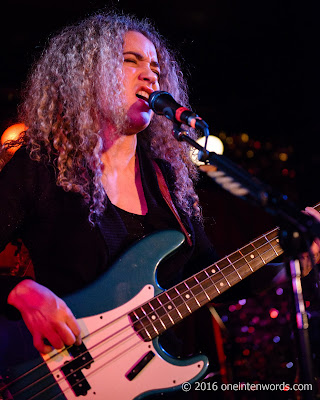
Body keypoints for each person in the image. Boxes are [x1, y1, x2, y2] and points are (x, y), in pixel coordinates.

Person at [0, 11, 319, 399]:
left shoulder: (166, 180)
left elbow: (207, 280)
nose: (151, 75)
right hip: (50, 378)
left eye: (155, 66)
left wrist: (291, 261)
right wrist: (21, 292)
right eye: (131, 61)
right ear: (85, 76)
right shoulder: (41, 166)